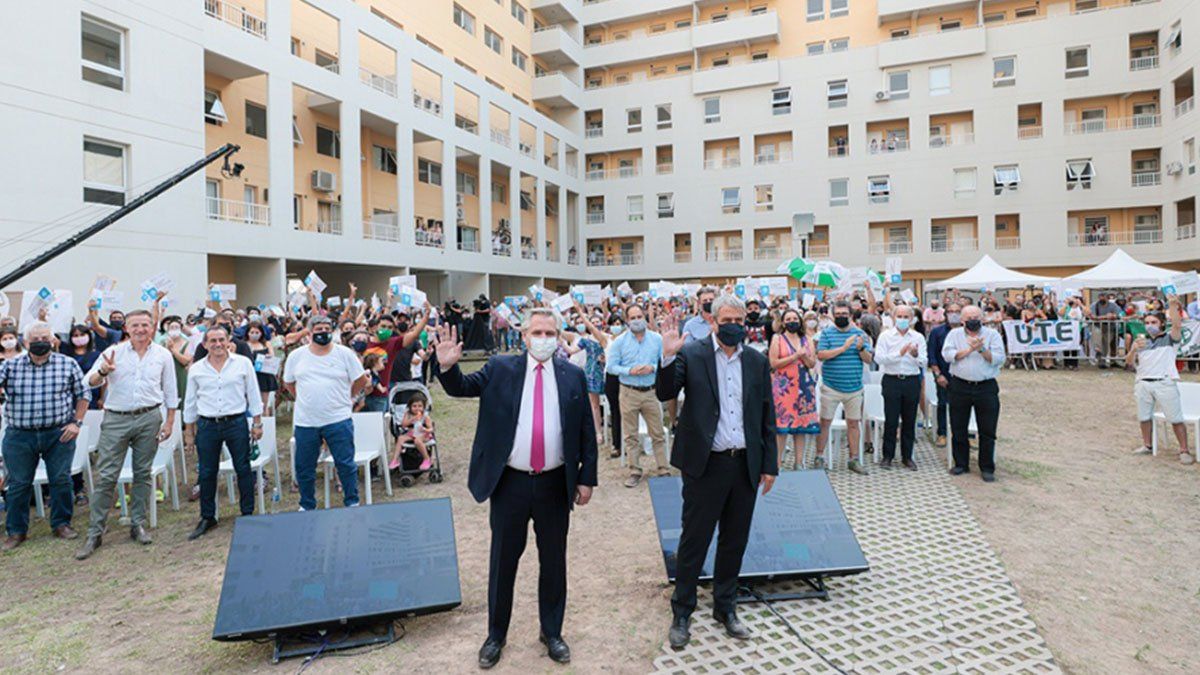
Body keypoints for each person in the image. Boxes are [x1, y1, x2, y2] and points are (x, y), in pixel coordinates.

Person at [433, 309, 598, 669]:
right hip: (511, 483)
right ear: (524, 337)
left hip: (555, 482)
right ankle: (496, 635)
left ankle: (552, 632)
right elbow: (463, 388)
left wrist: (587, 478)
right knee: (503, 561)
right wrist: (447, 368)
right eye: (537, 332)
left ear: (558, 336)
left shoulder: (572, 375)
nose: (543, 338)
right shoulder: (500, 369)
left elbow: (586, 430)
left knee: (553, 560)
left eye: (550, 332)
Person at [656, 294, 778, 649]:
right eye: (727, 320)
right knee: (694, 540)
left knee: (734, 539)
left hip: (744, 465)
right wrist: (666, 355)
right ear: (712, 321)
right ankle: (682, 611)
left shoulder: (755, 361)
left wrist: (768, 464)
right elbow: (665, 390)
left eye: (740, 321)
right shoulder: (692, 354)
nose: (734, 326)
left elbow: (765, 415)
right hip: (705, 465)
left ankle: (725, 607)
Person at [77, 310, 178, 560]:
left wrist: (170, 423)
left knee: (143, 473)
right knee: (107, 475)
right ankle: (95, 532)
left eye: (145, 325)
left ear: (152, 327)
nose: (141, 329)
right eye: (135, 325)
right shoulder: (113, 352)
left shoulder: (163, 355)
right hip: (116, 418)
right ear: (127, 328)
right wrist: (103, 372)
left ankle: (138, 524)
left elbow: (170, 391)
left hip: (149, 417)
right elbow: (87, 382)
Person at [0, 322, 90, 551]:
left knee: (61, 479)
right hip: (20, 435)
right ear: (26, 342)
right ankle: (16, 531)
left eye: (45, 338)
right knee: (19, 484)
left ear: (53, 340)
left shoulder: (67, 364)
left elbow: (83, 394)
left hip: (58, 433)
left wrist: (77, 423)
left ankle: (61, 524)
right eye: (35, 339)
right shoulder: (10, 366)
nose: (40, 342)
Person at [181, 325, 263, 540]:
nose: (217, 344)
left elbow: (253, 393)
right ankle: (208, 517)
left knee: (243, 469)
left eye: (221, 340)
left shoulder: (243, 363)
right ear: (205, 344)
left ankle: (247, 513)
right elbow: (190, 401)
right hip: (207, 425)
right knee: (207, 472)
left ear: (228, 341)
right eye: (212, 341)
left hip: (236, 422)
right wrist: (189, 432)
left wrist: (257, 422)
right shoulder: (197, 369)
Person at [282, 315, 369, 511]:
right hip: (306, 421)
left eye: (326, 329)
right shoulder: (296, 356)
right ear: (310, 333)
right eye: (318, 329)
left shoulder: (345, 354)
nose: (323, 333)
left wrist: (348, 399)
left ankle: (352, 502)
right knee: (305, 467)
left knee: (345, 464)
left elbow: (361, 380)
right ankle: (307, 505)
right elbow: (288, 383)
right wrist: (304, 398)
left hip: (338, 419)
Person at [606, 304, 669, 487]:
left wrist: (653, 368)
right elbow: (611, 367)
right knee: (630, 435)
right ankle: (635, 470)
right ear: (627, 320)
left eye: (639, 316)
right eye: (632, 318)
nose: (636, 320)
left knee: (657, 433)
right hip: (628, 392)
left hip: (650, 391)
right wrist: (630, 370)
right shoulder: (620, 341)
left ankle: (663, 469)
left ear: (645, 317)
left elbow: (664, 361)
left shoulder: (657, 339)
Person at [942, 305, 1006, 482]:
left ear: (983, 318)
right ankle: (961, 463)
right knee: (958, 426)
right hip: (960, 385)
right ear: (962, 320)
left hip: (986, 387)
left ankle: (986, 467)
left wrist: (982, 349)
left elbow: (999, 359)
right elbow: (948, 355)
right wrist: (969, 350)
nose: (973, 320)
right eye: (969, 317)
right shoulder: (954, 335)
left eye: (976, 316)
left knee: (987, 429)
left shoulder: (992, 335)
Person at [1127, 297, 1193, 464]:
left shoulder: (1170, 339)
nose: (1150, 325)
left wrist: (1172, 305)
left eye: (1154, 322)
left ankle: (1184, 450)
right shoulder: (1141, 341)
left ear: (1162, 323)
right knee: (1144, 417)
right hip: (1143, 382)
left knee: (1175, 418)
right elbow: (1128, 362)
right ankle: (1147, 445)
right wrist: (1133, 350)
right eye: (1147, 322)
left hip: (1164, 381)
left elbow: (1177, 326)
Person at [813, 302, 874, 474]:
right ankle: (819, 457)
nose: (841, 316)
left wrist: (861, 348)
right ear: (833, 315)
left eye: (844, 313)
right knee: (824, 423)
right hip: (831, 387)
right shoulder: (826, 333)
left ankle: (853, 459)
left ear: (850, 315)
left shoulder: (860, 334)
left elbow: (868, 359)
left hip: (854, 388)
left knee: (853, 424)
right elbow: (821, 354)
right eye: (838, 313)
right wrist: (844, 348)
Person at [875, 305, 928, 470]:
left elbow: (924, 361)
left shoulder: (918, 337)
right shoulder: (885, 336)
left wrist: (915, 355)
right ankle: (887, 456)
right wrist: (899, 353)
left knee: (909, 420)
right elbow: (879, 359)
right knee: (891, 420)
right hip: (892, 380)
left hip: (911, 381)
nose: (903, 319)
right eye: (900, 316)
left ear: (911, 319)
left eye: (906, 316)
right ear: (893, 317)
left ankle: (907, 456)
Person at [768, 308, 819, 470]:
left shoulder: (807, 339)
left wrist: (803, 356)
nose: (792, 322)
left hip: (804, 386)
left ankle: (799, 462)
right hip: (784, 388)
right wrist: (794, 356)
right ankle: (777, 463)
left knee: (801, 427)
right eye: (788, 319)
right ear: (783, 322)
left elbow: (811, 363)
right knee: (782, 427)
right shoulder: (777, 339)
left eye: (795, 318)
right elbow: (773, 363)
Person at [926, 303, 960, 448]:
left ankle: (967, 434)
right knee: (942, 404)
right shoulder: (937, 332)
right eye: (951, 311)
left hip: (963, 377)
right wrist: (938, 374)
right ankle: (942, 433)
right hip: (943, 375)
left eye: (957, 311)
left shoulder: (968, 332)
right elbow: (931, 355)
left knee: (965, 405)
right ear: (945, 314)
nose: (954, 314)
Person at [389, 391, 434, 471]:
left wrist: (425, 429)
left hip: (423, 434)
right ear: (410, 406)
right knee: (400, 439)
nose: (417, 408)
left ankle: (427, 459)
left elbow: (431, 429)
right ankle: (395, 460)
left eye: (420, 406)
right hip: (412, 433)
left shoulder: (425, 416)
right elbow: (403, 424)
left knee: (417, 441)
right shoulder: (408, 414)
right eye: (414, 406)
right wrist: (412, 419)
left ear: (424, 407)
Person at [245, 321, 278, 415]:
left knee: (264, 404)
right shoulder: (244, 345)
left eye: (257, 332)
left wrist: (269, 357)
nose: (254, 335)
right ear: (248, 333)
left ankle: (266, 423)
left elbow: (272, 356)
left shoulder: (266, 344)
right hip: (250, 375)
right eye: (252, 332)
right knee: (250, 403)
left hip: (264, 375)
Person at [1091, 293, 1122, 368]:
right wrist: (1106, 317)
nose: (1101, 298)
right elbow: (1093, 317)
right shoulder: (1094, 305)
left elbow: (1118, 315)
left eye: (1103, 297)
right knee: (1097, 338)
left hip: (1110, 327)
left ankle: (1103, 360)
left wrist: (1113, 316)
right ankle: (1099, 356)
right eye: (1100, 297)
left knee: (1106, 343)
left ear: (1107, 298)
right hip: (1097, 326)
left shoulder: (1113, 305)